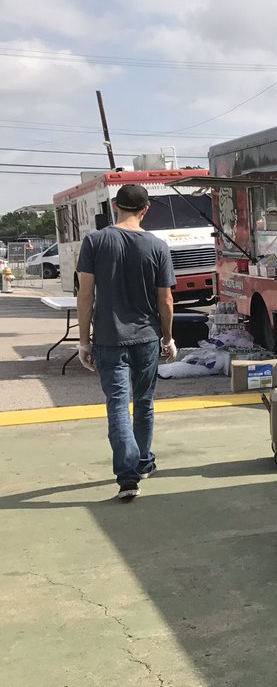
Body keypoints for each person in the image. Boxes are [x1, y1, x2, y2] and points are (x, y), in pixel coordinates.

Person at [76, 183, 179, 501]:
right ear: (145, 209)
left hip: (108, 338)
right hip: (147, 337)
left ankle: (128, 476)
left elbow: (86, 294)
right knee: (144, 403)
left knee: (118, 405)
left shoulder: (94, 241)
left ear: (115, 207)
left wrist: (84, 341)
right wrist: (168, 337)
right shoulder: (157, 245)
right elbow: (166, 300)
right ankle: (143, 462)